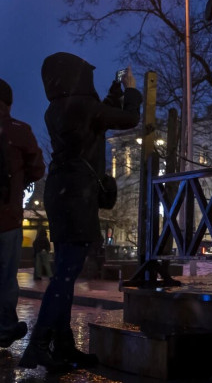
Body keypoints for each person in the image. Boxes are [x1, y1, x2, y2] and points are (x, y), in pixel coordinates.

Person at [20, 54, 142, 372]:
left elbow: (96, 120)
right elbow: (128, 120)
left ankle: (61, 344)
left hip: (62, 193)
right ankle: (39, 346)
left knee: (65, 272)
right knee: (65, 275)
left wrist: (112, 96)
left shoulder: (57, 108)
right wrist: (130, 91)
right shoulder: (83, 107)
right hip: (77, 195)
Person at [0, 78, 45, 349]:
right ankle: (4, 326)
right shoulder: (19, 130)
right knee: (6, 277)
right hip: (7, 218)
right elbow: (38, 169)